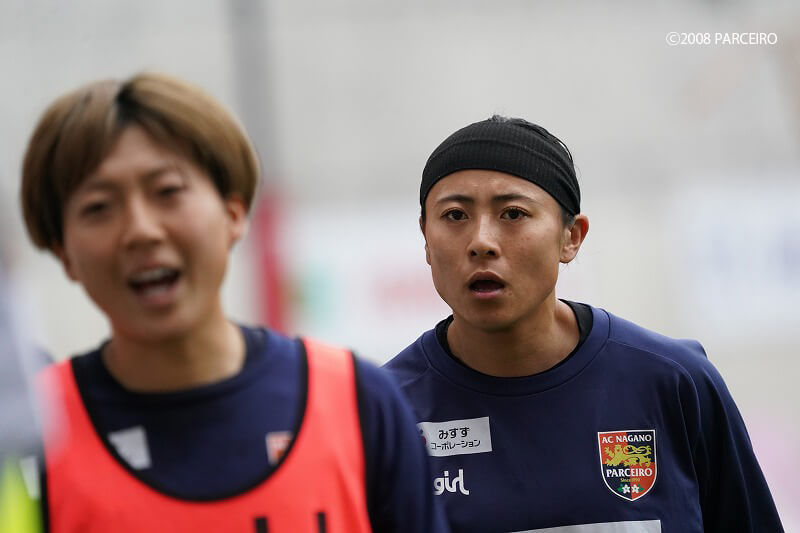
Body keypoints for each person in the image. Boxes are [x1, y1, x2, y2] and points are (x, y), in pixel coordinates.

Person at [21, 72, 447, 532]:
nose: (141, 230)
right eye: (98, 207)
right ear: (63, 251)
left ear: (234, 212)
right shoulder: (25, 433)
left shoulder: (359, 402)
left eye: (167, 192)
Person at [384, 116, 784, 532]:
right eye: (454, 215)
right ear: (425, 237)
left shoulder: (674, 382)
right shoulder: (382, 413)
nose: (481, 241)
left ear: (571, 237)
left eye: (513, 213)